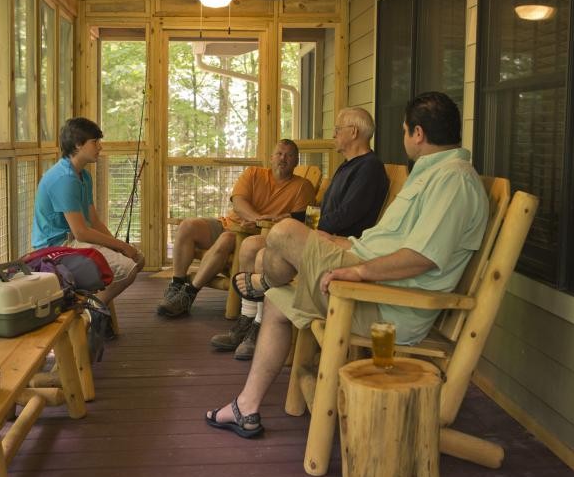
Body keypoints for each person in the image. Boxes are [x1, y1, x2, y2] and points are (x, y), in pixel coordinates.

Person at [205, 91, 489, 438]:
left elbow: (421, 258)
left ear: (418, 134)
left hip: (385, 304)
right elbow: (393, 241)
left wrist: (356, 271)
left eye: (403, 131)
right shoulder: (432, 174)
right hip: (369, 281)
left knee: (282, 234)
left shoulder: (453, 180)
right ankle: (245, 407)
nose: (403, 139)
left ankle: (266, 281)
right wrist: (343, 244)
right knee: (278, 295)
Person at [210, 107, 389, 360]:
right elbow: (324, 211)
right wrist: (291, 218)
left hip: (339, 245)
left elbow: (347, 216)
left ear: (354, 132)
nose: (334, 134)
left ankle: (259, 324)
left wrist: (301, 228)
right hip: (323, 237)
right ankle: (248, 320)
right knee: (251, 246)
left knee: (262, 255)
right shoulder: (348, 166)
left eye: (338, 129)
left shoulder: (369, 168)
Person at [158, 140, 316, 318]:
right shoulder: (254, 173)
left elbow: (297, 223)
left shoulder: (303, 187)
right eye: (279, 153)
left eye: (289, 155)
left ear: (296, 161)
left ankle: (189, 294)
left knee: (226, 239)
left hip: (254, 237)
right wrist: (256, 218)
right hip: (230, 224)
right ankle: (177, 284)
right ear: (271, 158)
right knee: (187, 226)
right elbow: (239, 203)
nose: (283, 158)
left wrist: (257, 226)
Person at [32, 117, 144, 308]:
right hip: (55, 248)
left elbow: (94, 221)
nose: (100, 147)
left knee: (138, 259)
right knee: (128, 268)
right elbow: (81, 232)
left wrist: (120, 247)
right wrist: (122, 248)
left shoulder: (83, 175)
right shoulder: (64, 179)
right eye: (95, 142)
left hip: (75, 242)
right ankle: (94, 311)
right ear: (77, 145)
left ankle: (95, 306)